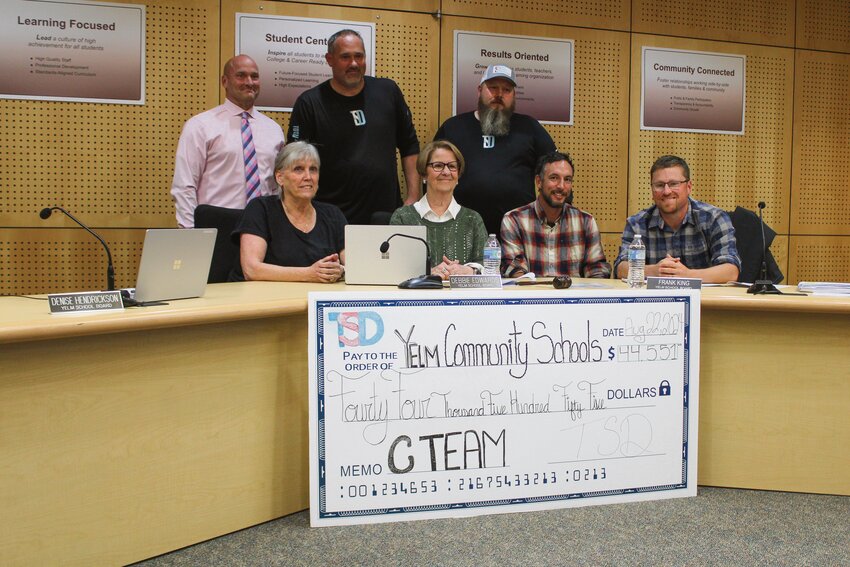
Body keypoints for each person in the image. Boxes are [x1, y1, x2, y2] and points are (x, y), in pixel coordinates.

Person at [287, 29, 420, 225]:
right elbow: (296, 162)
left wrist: (413, 198)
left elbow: (410, 146)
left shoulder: (388, 91)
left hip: (386, 215)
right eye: (345, 57)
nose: (354, 64)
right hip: (330, 219)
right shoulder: (310, 103)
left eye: (359, 56)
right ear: (329, 59)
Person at [434, 64, 556, 235]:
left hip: (518, 233)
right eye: (492, 88)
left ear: (514, 95)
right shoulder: (454, 128)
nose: (499, 94)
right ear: (479, 90)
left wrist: (558, 215)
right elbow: (432, 174)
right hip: (460, 231)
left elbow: (555, 170)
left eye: (506, 89)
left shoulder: (529, 128)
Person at [171, 55, 285, 228]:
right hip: (216, 228)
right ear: (225, 81)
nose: (249, 82)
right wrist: (191, 234)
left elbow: (277, 187)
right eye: (241, 75)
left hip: (263, 229)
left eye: (254, 76)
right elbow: (185, 186)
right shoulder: (200, 126)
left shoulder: (274, 130)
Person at [229, 141, 346, 283]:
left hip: (315, 298)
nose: (308, 177)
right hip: (265, 299)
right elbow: (252, 270)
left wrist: (341, 271)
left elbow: (355, 266)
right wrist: (309, 274)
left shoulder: (333, 214)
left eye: (313, 169)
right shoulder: (260, 209)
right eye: (298, 169)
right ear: (280, 177)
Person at [614, 155, 741, 283]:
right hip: (656, 301)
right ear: (652, 189)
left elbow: (730, 271)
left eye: (674, 184)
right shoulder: (637, 223)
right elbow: (620, 268)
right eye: (659, 185)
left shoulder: (714, 218)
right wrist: (654, 271)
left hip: (704, 301)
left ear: (689, 187)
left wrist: (686, 275)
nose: (666, 191)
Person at [501, 151, 610, 279]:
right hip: (532, 297)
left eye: (567, 179)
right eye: (554, 178)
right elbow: (515, 271)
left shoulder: (586, 221)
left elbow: (597, 269)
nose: (561, 186)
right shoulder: (514, 220)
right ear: (539, 182)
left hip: (574, 297)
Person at [390, 141, 488, 280]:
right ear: (424, 174)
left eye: (452, 166)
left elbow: (489, 266)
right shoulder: (402, 218)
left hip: (463, 300)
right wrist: (428, 272)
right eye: (438, 166)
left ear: (458, 175)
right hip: (416, 299)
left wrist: (468, 270)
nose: (446, 172)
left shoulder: (473, 219)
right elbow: (393, 267)